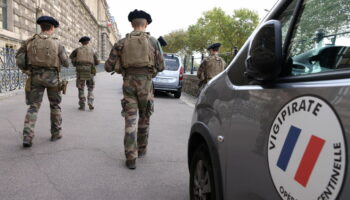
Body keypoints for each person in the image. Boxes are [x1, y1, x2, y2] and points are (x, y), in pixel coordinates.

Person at [105, 9, 165, 169]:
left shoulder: (121, 42)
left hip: (128, 83)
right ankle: (142, 149)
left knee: (130, 119)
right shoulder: (153, 42)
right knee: (145, 117)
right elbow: (161, 66)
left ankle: (131, 157)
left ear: (132, 24)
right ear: (146, 24)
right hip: (146, 83)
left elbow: (108, 66)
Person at [16, 16, 69, 148]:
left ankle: (27, 137)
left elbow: (20, 60)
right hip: (52, 79)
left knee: (33, 107)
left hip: (35, 77)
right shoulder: (57, 43)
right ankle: (56, 133)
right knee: (55, 105)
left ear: (41, 27)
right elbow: (66, 63)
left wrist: (27, 70)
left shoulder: (29, 41)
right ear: (52, 28)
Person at [69, 36, 100, 110]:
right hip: (90, 71)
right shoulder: (93, 50)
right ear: (88, 42)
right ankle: (90, 101)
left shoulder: (77, 50)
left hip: (80, 71)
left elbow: (71, 57)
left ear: (81, 43)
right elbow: (97, 61)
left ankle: (82, 104)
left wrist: (75, 63)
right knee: (90, 87)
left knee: (81, 88)